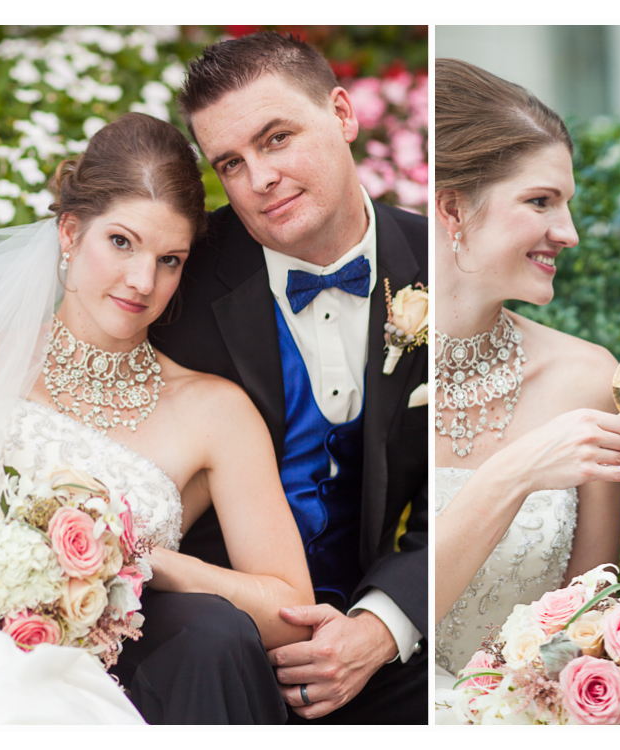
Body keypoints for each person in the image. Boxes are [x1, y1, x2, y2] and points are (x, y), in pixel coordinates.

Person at [0, 112, 315, 725]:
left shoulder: (214, 411)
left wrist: (136, 557)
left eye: (170, 259)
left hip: (108, 684)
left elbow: (290, 611)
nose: (142, 282)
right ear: (70, 232)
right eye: (121, 242)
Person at [150, 31, 428, 723]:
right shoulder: (175, 281)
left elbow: (465, 485)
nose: (257, 180)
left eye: (276, 139)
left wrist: (377, 629)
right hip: (203, 628)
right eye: (231, 163)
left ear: (342, 112)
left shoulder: (443, 267)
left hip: (368, 616)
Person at [432, 59, 620, 701]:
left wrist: (516, 707)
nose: (570, 233)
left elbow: (587, 619)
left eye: (568, 204)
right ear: (452, 208)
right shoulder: (371, 366)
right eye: (540, 202)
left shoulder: (587, 378)